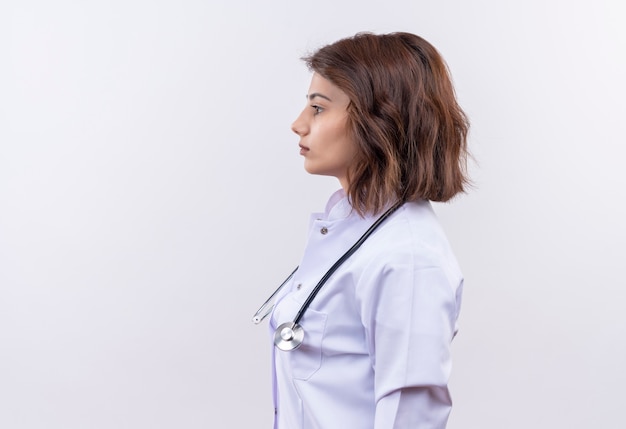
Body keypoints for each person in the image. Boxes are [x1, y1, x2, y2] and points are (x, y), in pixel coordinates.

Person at [254, 31, 469, 429]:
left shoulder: (407, 258)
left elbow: (410, 418)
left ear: (379, 119)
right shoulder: (350, 228)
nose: (298, 125)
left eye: (318, 109)